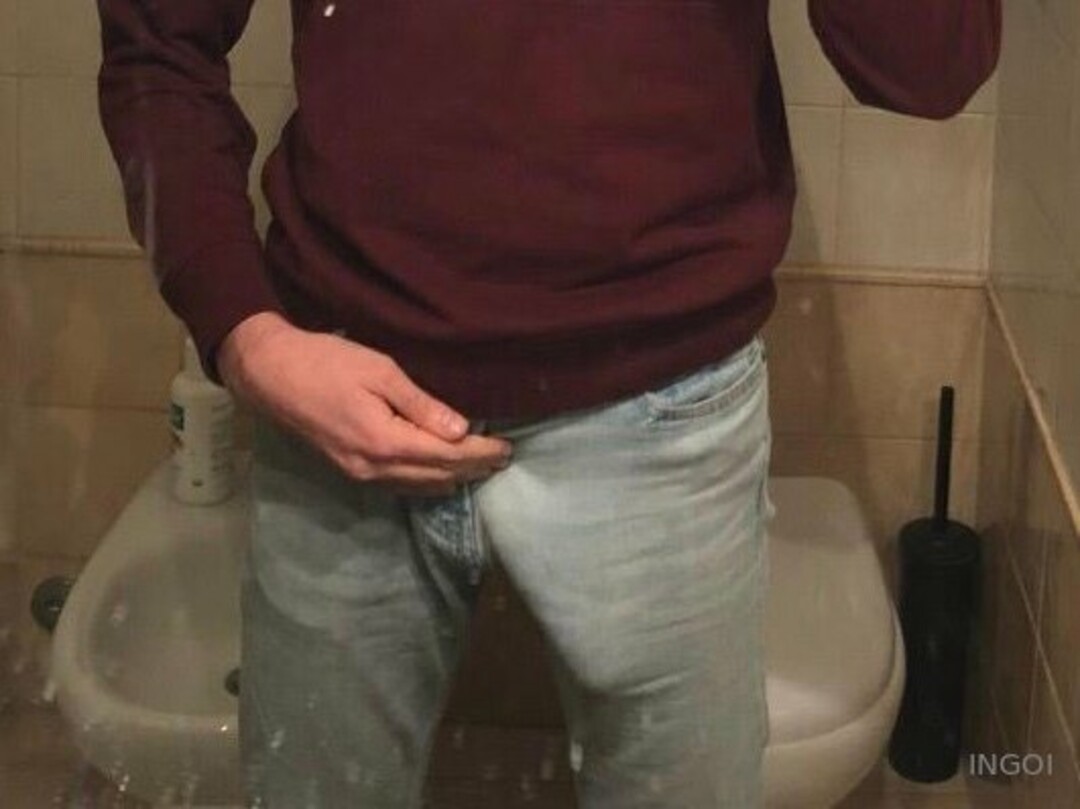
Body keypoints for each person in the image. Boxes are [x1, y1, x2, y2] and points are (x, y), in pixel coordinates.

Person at [95, 1, 1000, 806]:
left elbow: (929, 67)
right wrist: (245, 334)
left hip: (664, 406)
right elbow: (156, 48)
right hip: (342, 387)